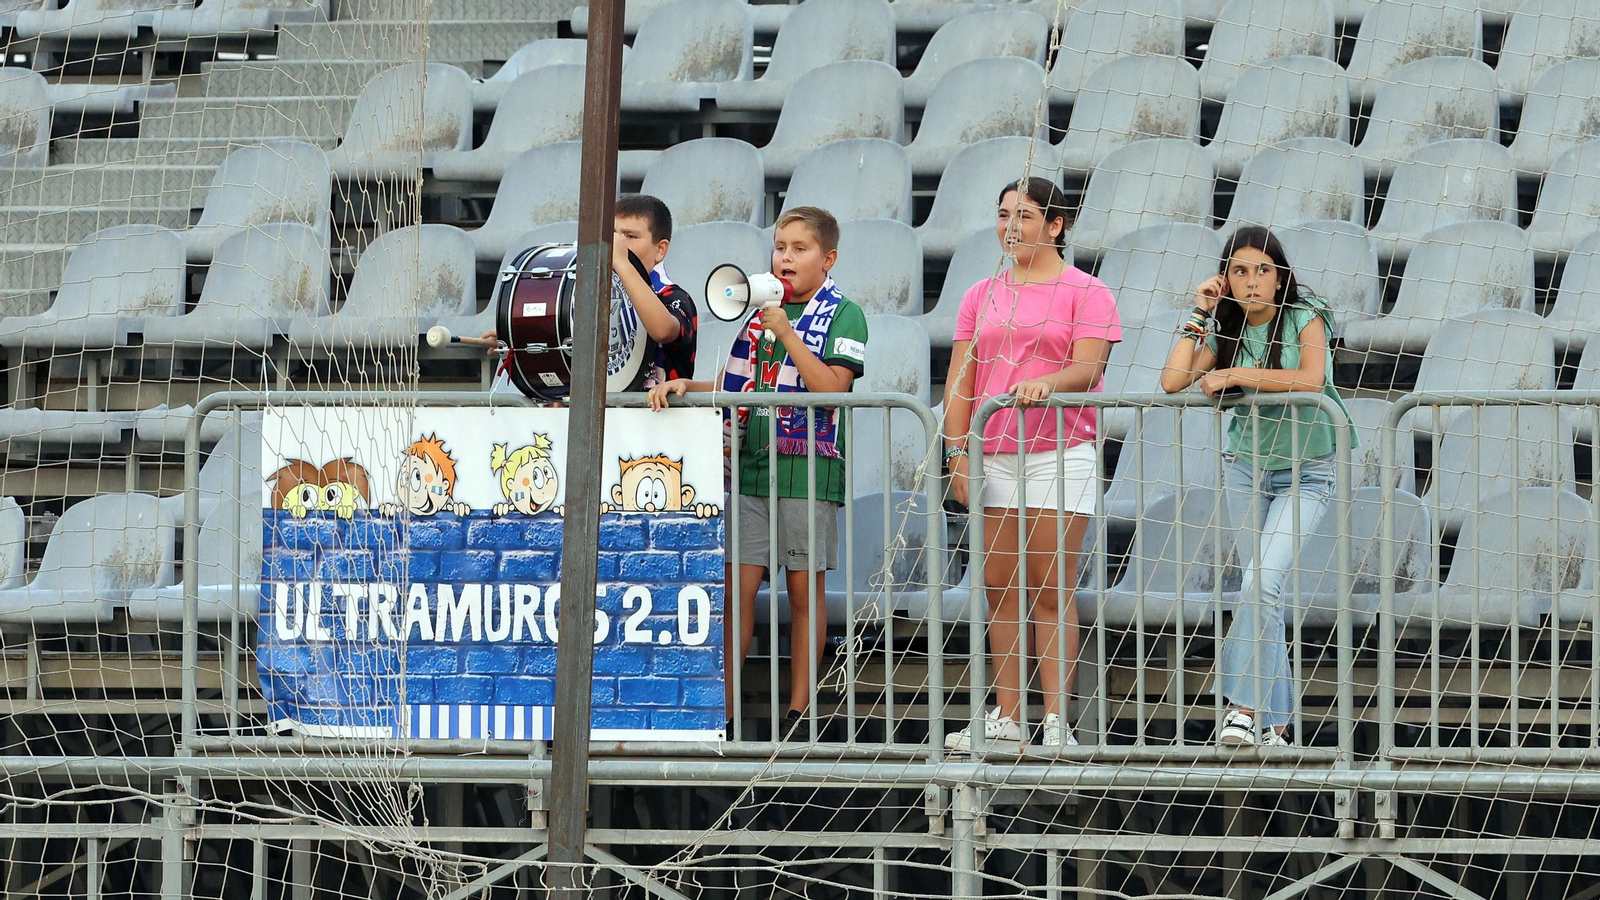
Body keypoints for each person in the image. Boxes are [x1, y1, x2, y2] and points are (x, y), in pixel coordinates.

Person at [649, 206, 869, 741]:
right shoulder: (757, 316)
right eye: (779, 246)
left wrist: (788, 334)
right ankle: (721, 716)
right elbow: (736, 388)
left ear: (828, 258)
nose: (785, 257)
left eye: (799, 248)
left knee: (801, 592)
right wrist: (690, 388)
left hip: (808, 470)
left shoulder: (846, 314)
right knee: (734, 591)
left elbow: (832, 389)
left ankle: (799, 716)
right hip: (749, 467)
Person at [941, 177, 1121, 753]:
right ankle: (1008, 714)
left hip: (1060, 452)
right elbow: (959, 383)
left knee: (1050, 585)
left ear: (1055, 224)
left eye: (1023, 215)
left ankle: (1055, 720)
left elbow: (1090, 368)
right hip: (993, 451)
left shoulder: (1086, 291)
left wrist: (1045, 381)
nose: (1010, 226)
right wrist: (957, 452)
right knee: (999, 586)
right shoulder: (979, 294)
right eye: (1002, 215)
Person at [1158, 225, 1353, 747]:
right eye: (1239, 271)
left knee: (1261, 583)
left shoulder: (1306, 315)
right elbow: (1173, 379)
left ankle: (1242, 710)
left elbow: (1311, 379)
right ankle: (1277, 727)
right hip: (1247, 468)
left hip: (1307, 471)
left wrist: (1237, 373)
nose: (1251, 282)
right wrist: (1202, 311)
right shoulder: (1225, 326)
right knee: (1260, 592)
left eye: (1261, 270)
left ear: (1279, 274)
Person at [485, 193, 697, 388]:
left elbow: (662, 330)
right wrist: (519, 335)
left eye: (630, 236)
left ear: (660, 249)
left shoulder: (674, 297)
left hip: (662, 422)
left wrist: (623, 263)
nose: (617, 243)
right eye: (611, 235)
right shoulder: (594, 299)